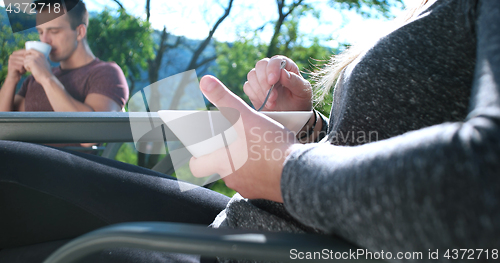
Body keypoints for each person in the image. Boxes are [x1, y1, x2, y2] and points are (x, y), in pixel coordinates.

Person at [0, 0, 499, 262]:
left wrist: (284, 168)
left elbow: (484, 186)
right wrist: (306, 128)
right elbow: (385, 140)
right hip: (268, 221)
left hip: (281, 244)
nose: (44, 38)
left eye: (53, 29)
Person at [0, 0, 129, 112]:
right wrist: (12, 78)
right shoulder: (34, 79)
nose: (44, 40)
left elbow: (90, 135)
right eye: (40, 32)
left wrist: (46, 78)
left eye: (54, 31)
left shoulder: (106, 73)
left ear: (80, 32)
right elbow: (4, 126)